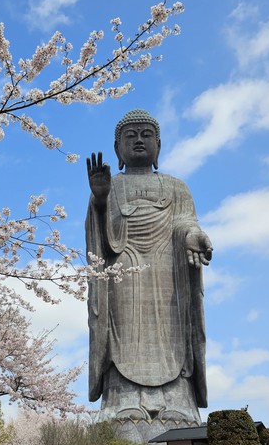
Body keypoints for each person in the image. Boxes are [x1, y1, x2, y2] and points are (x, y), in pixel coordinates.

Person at [86, 108, 213, 428]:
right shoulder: (109, 186)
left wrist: (194, 235)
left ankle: (178, 401)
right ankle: (123, 399)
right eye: (131, 136)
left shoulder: (177, 187)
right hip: (123, 271)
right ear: (117, 149)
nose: (140, 141)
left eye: (147, 135)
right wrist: (100, 201)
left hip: (167, 269)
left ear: (159, 145)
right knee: (122, 330)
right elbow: (100, 241)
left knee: (173, 327)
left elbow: (186, 223)